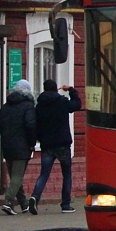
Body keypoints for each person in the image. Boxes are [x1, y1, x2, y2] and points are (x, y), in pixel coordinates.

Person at [31, 79, 82, 214]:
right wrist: (71, 90)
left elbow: (36, 126)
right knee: (66, 174)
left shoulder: (39, 106)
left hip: (47, 145)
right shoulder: (62, 102)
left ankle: (35, 197)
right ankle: (65, 204)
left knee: (44, 174)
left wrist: (37, 140)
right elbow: (77, 105)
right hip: (63, 144)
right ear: (56, 89)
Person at [0, 79, 36, 215]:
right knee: (17, 176)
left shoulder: (5, 107)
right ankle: (8, 202)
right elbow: (30, 125)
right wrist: (32, 143)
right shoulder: (28, 106)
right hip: (22, 147)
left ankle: (24, 204)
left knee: (14, 176)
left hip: (7, 147)